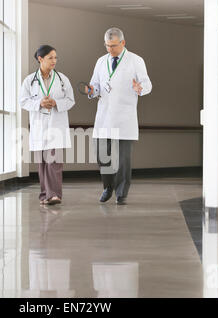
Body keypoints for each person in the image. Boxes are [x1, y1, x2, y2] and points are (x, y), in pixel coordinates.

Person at [86, 27, 152, 205]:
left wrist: (140, 88)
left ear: (123, 42)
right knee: (102, 156)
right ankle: (108, 186)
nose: (110, 49)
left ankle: (121, 193)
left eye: (113, 45)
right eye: (107, 45)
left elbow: (147, 84)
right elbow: (96, 85)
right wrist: (91, 90)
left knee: (123, 160)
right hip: (104, 116)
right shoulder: (101, 61)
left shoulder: (135, 61)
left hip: (125, 117)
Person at [20, 45, 75, 206]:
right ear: (40, 59)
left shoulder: (62, 79)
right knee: (42, 163)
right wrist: (39, 103)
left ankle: (55, 195)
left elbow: (71, 100)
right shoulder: (29, 80)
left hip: (56, 126)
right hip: (39, 126)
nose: (54, 61)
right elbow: (23, 101)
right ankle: (45, 195)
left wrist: (55, 102)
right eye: (50, 57)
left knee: (54, 162)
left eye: (56, 57)